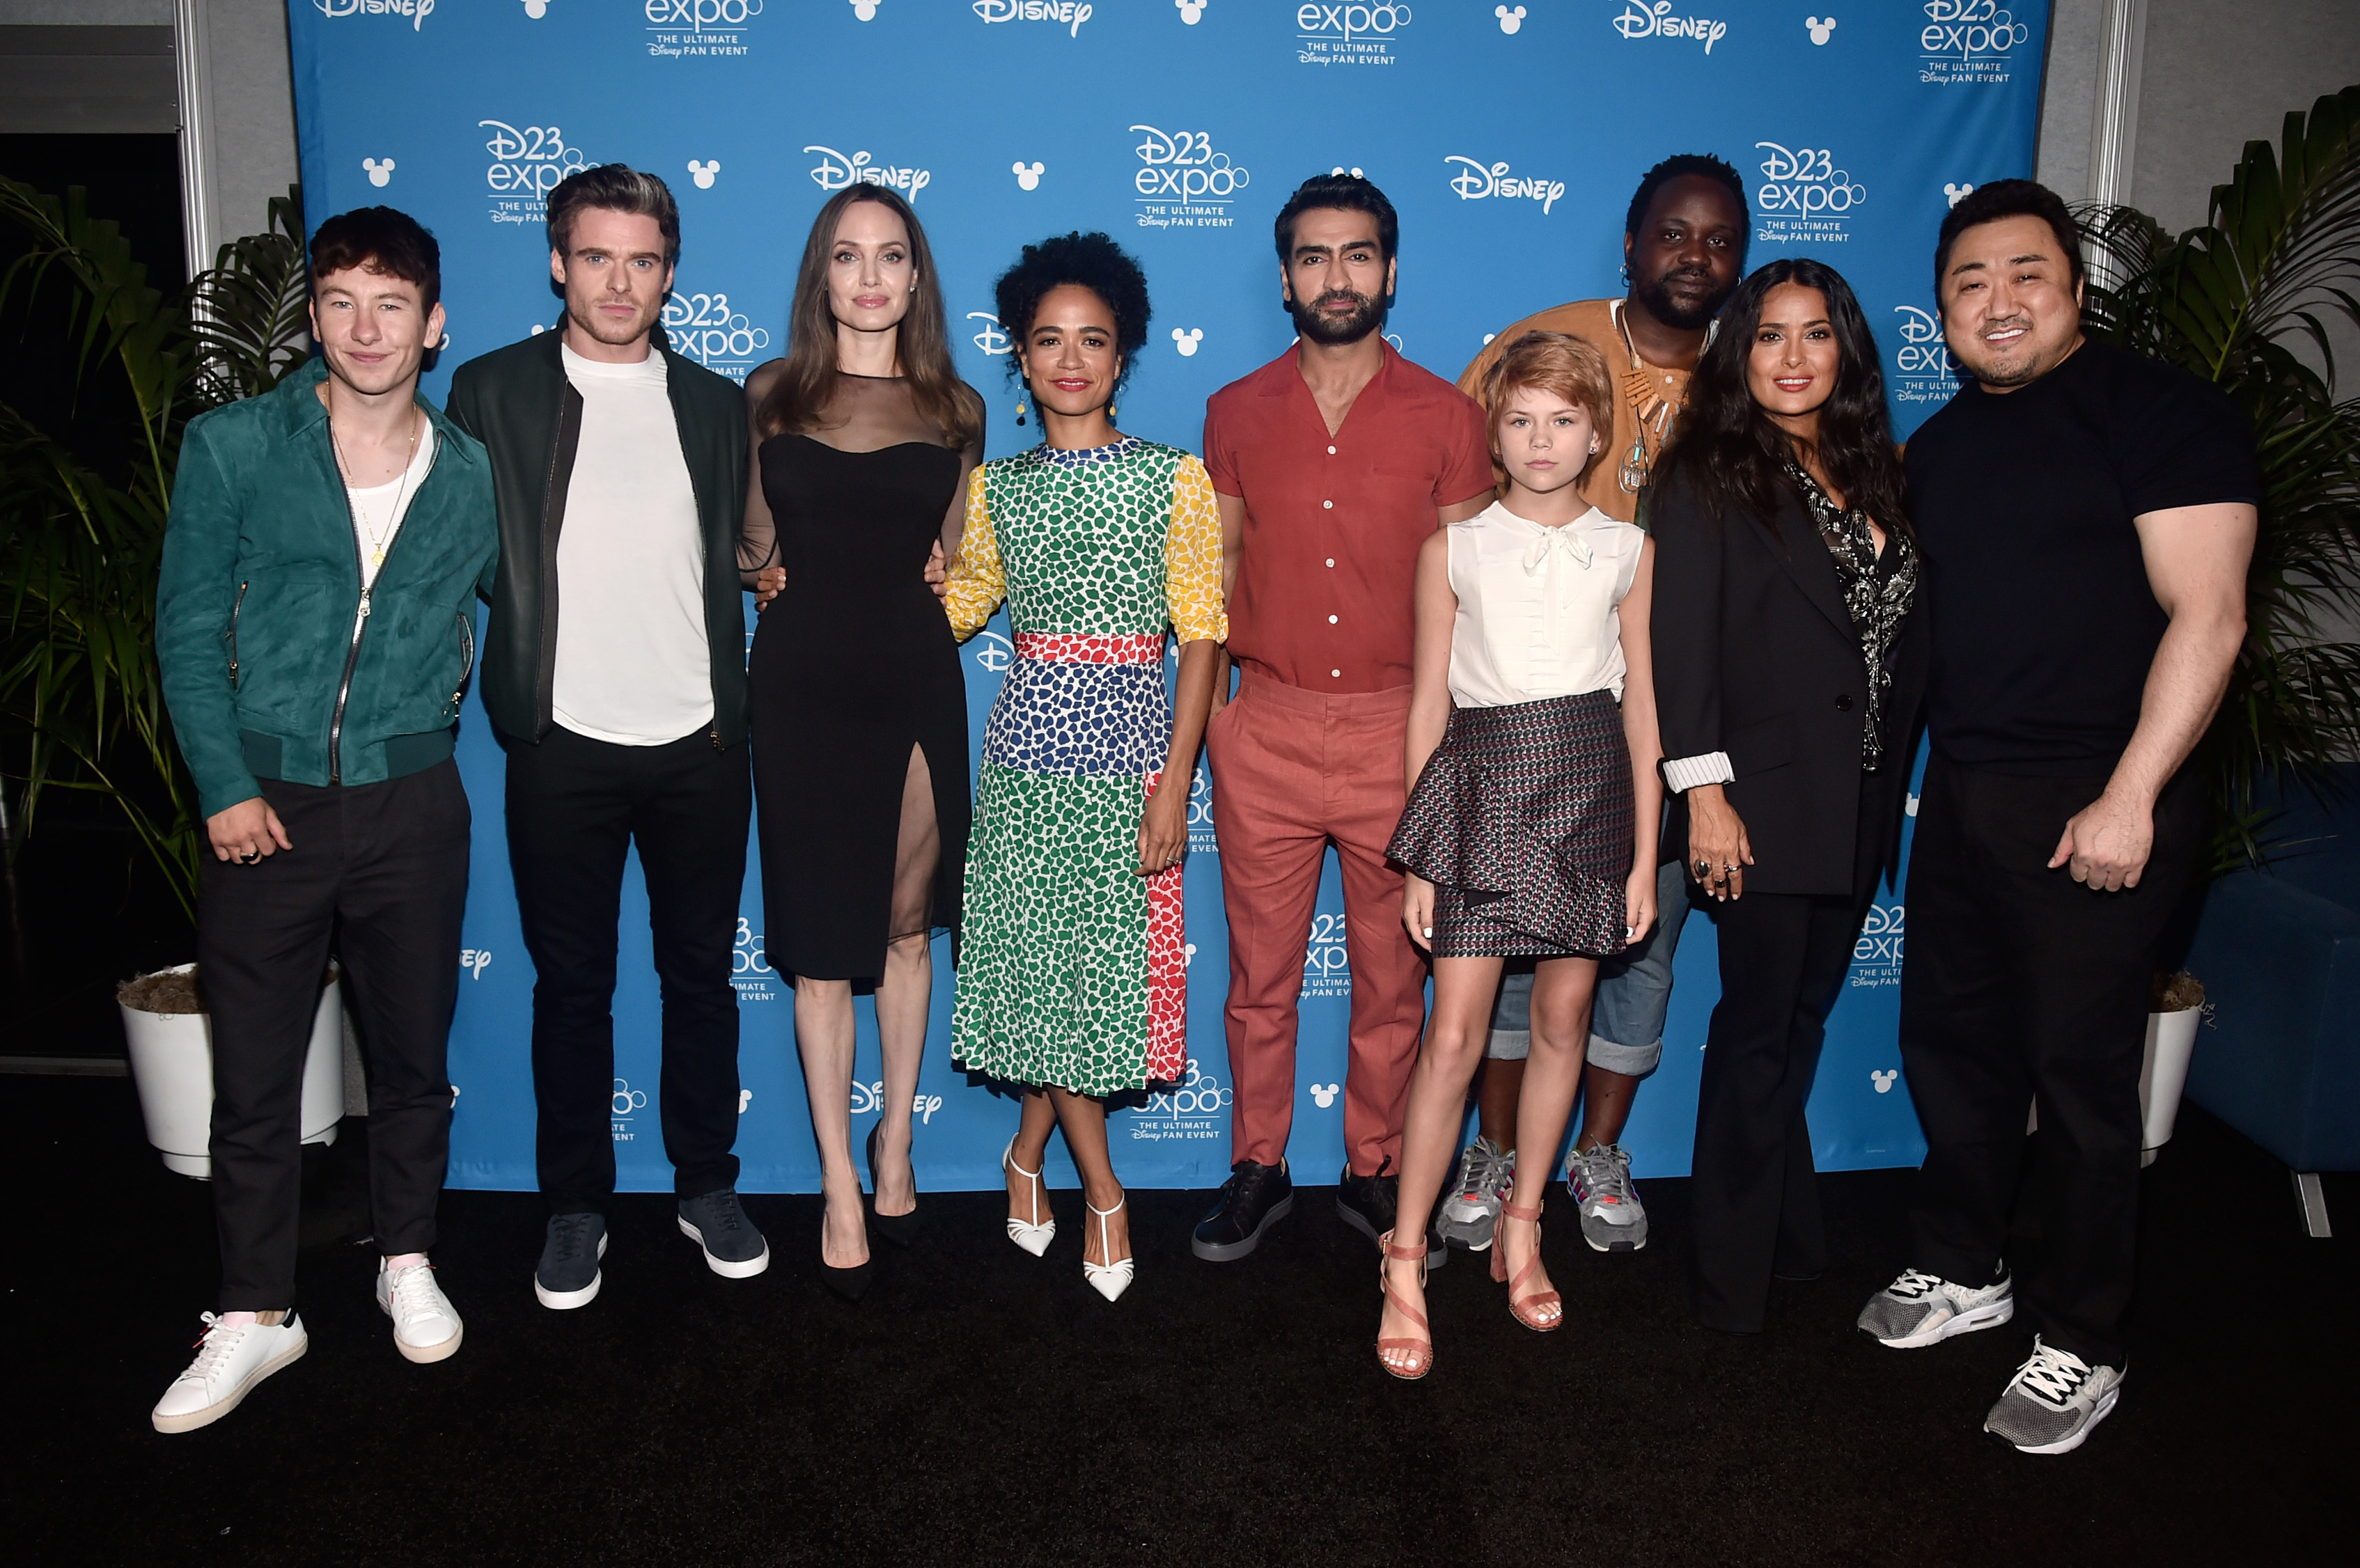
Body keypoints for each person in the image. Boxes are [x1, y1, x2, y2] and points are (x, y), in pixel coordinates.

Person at [1858, 180, 2257, 1455]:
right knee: (1952, 1047)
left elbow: (2211, 615)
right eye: (1969, 282)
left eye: (2024, 274)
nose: (1997, 300)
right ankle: (1965, 1266)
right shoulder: (1939, 447)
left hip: (2103, 794)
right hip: (1969, 792)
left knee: (2080, 1087)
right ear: (1942, 311)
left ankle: (2081, 1340)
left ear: (2075, 288)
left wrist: (2130, 796)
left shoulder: (2160, 414)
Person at [150, 206, 497, 1430]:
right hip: (270, 803)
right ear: (313, 317)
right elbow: (188, 629)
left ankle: (407, 1258)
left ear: (432, 323)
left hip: (414, 801)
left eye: (391, 303)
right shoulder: (235, 446)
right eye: (342, 300)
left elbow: (555, 590)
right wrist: (225, 784)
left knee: (411, 1066)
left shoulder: (468, 470)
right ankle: (254, 1314)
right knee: (252, 1076)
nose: (366, 326)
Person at [446, 165, 768, 1310]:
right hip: (559, 741)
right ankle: (576, 1206)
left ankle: (704, 1184)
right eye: (596, 257)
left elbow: (757, 550)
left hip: (701, 739)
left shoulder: (720, 404)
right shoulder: (488, 393)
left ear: (669, 272)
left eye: (641, 260)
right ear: (557, 262)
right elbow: (455, 555)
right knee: (571, 989)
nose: (618, 281)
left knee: (701, 984)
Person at [1444, 153, 1749, 1257]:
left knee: (1641, 943)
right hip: (1536, 722)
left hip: (1683, 711)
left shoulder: (1750, 370)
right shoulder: (1552, 342)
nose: (1694, 257)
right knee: (1516, 955)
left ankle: (1598, 1154)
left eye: (1718, 240)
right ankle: (1496, 1151)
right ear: (1630, 245)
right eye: (1673, 234)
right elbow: (1466, 525)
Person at [1194, 173, 1497, 1264]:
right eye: (1314, 257)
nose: (1337, 276)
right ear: (1284, 278)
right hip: (1264, 724)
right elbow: (1216, 575)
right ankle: (1256, 1166)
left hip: (1400, 733)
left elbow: (1472, 596)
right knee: (1258, 979)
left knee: (1391, 975)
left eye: (1358, 254)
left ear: (1390, 270)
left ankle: (1375, 1167)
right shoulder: (1233, 410)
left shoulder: (1447, 419)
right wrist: (1210, 727)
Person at [944, 233, 1225, 1303]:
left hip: (1129, 770)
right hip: (1021, 768)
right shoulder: (996, 489)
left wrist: (1174, 780)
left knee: (1092, 994)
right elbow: (960, 610)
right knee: (1040, 985)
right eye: (1047, 340)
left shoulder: (1172, 479)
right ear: (1018, 354)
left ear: (1123, 354)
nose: (1070, 360)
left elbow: (1201, 635)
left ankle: (1028, 1159)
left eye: (1092, 340)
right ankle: (1103, 1189)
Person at [1375, 331, 1662, 1379]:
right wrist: (1417, 860)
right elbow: (1423, 708)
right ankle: (1403, 1259)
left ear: (1595, 435)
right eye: (1520, 419)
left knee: (1562, 1022)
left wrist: (1642, 862)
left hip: (1590, 792)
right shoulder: (1453, 549)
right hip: (1480, 789)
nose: (1541, 439)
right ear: (1493, 431)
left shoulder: (1629, 549)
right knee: (1451, 1038)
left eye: (1563, 420)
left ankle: (1525, 1223)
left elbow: (1644, 719)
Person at [1649, 258, 1926, 1338]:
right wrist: (1705, 799)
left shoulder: (1879, 473)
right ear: (1739, 352)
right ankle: (1726, 1287)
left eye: (1816, 335)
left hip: (1857, 798)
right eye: (1769, 335)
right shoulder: (1707, 473)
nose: (1794, 357)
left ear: (1845, 351)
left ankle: (1788, 1235)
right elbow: (1682, 652)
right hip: (1756, 801)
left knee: (1800, 1021)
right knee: (1760, 1027)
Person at [740, 185, 983, 1299]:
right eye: (848, 256)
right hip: (798, 688)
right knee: (817, 943)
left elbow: (960, 555)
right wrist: (758, 574)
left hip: (913, 677)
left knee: (898, 926)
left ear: (916, 277)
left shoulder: (954, 405)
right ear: (821, 277)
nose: (871, 276)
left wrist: (946, 565)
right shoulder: (771, 395)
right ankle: (838, 1178)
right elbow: (751, 544)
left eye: (891, 255)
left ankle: (894, 1141)